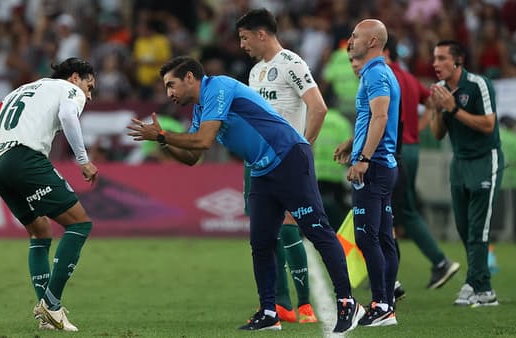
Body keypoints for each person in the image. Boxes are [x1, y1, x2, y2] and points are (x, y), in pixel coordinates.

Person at [127, 56, 365, 333]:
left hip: (288, 157)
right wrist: (161, 140)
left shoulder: (219, 87)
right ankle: (268, 311)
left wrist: (164, 136)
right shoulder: (200, 109)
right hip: (261, 170)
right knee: (261, 242)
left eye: (172, 85)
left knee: (318, 231)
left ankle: (348, 302)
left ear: (190, 77)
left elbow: (203, 140)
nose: (169, 93)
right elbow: (193, 158)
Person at [0, 57, 99, 331]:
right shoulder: (69, 90)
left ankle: (48, 318)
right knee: (79, 223)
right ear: (75, 77)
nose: (89, 94)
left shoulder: (23, 89)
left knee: (40, 231)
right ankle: (52, 305)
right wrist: (83, 160)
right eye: (90, 86)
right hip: (24, 157)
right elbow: (66, 116)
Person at [235, 8, 326, 324]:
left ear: (262, 34)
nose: (242, 45)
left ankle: (305, 305)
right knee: (265, 235)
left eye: (245, 38)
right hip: (257, 163)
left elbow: (318, 107)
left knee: (289, 229)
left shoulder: (292, 63)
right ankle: (280, 306)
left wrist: (302, 149)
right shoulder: (255, 73)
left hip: (286, 162)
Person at [334, 19, 400, 327]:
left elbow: (382, 115)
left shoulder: (374, 73)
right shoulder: (381, 72)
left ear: (373, 41)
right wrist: (353, 142)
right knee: (383, 237)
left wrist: (362, 158)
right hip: (382, 164)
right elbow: (373, 116)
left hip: (373, 168)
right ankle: (385, 303)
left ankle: (382, 304)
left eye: (356, 35)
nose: (350, 40)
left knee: (367, 236)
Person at [429, 40, 503, 307]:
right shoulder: (442, 91)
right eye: (434, 59)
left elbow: (488, 124)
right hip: (459, 163)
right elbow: (438, 133)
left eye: (441, 58)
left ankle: (482, 289)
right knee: (463, 226)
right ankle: (476, 283)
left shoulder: (478, 85)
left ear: (458, 61)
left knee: (478, 228)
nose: (435, 64)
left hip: (484, 159)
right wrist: (437, 111)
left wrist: (454, 108)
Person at [384, 35, 460, 292]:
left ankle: (393, 277)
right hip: (411, 147)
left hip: (396, 150)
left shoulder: (382, 75)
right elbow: (431, 101)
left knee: (393, 212)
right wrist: (422, 125)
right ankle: (434, 263)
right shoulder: (408, 77)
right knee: (403, 211)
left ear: (384, 51)